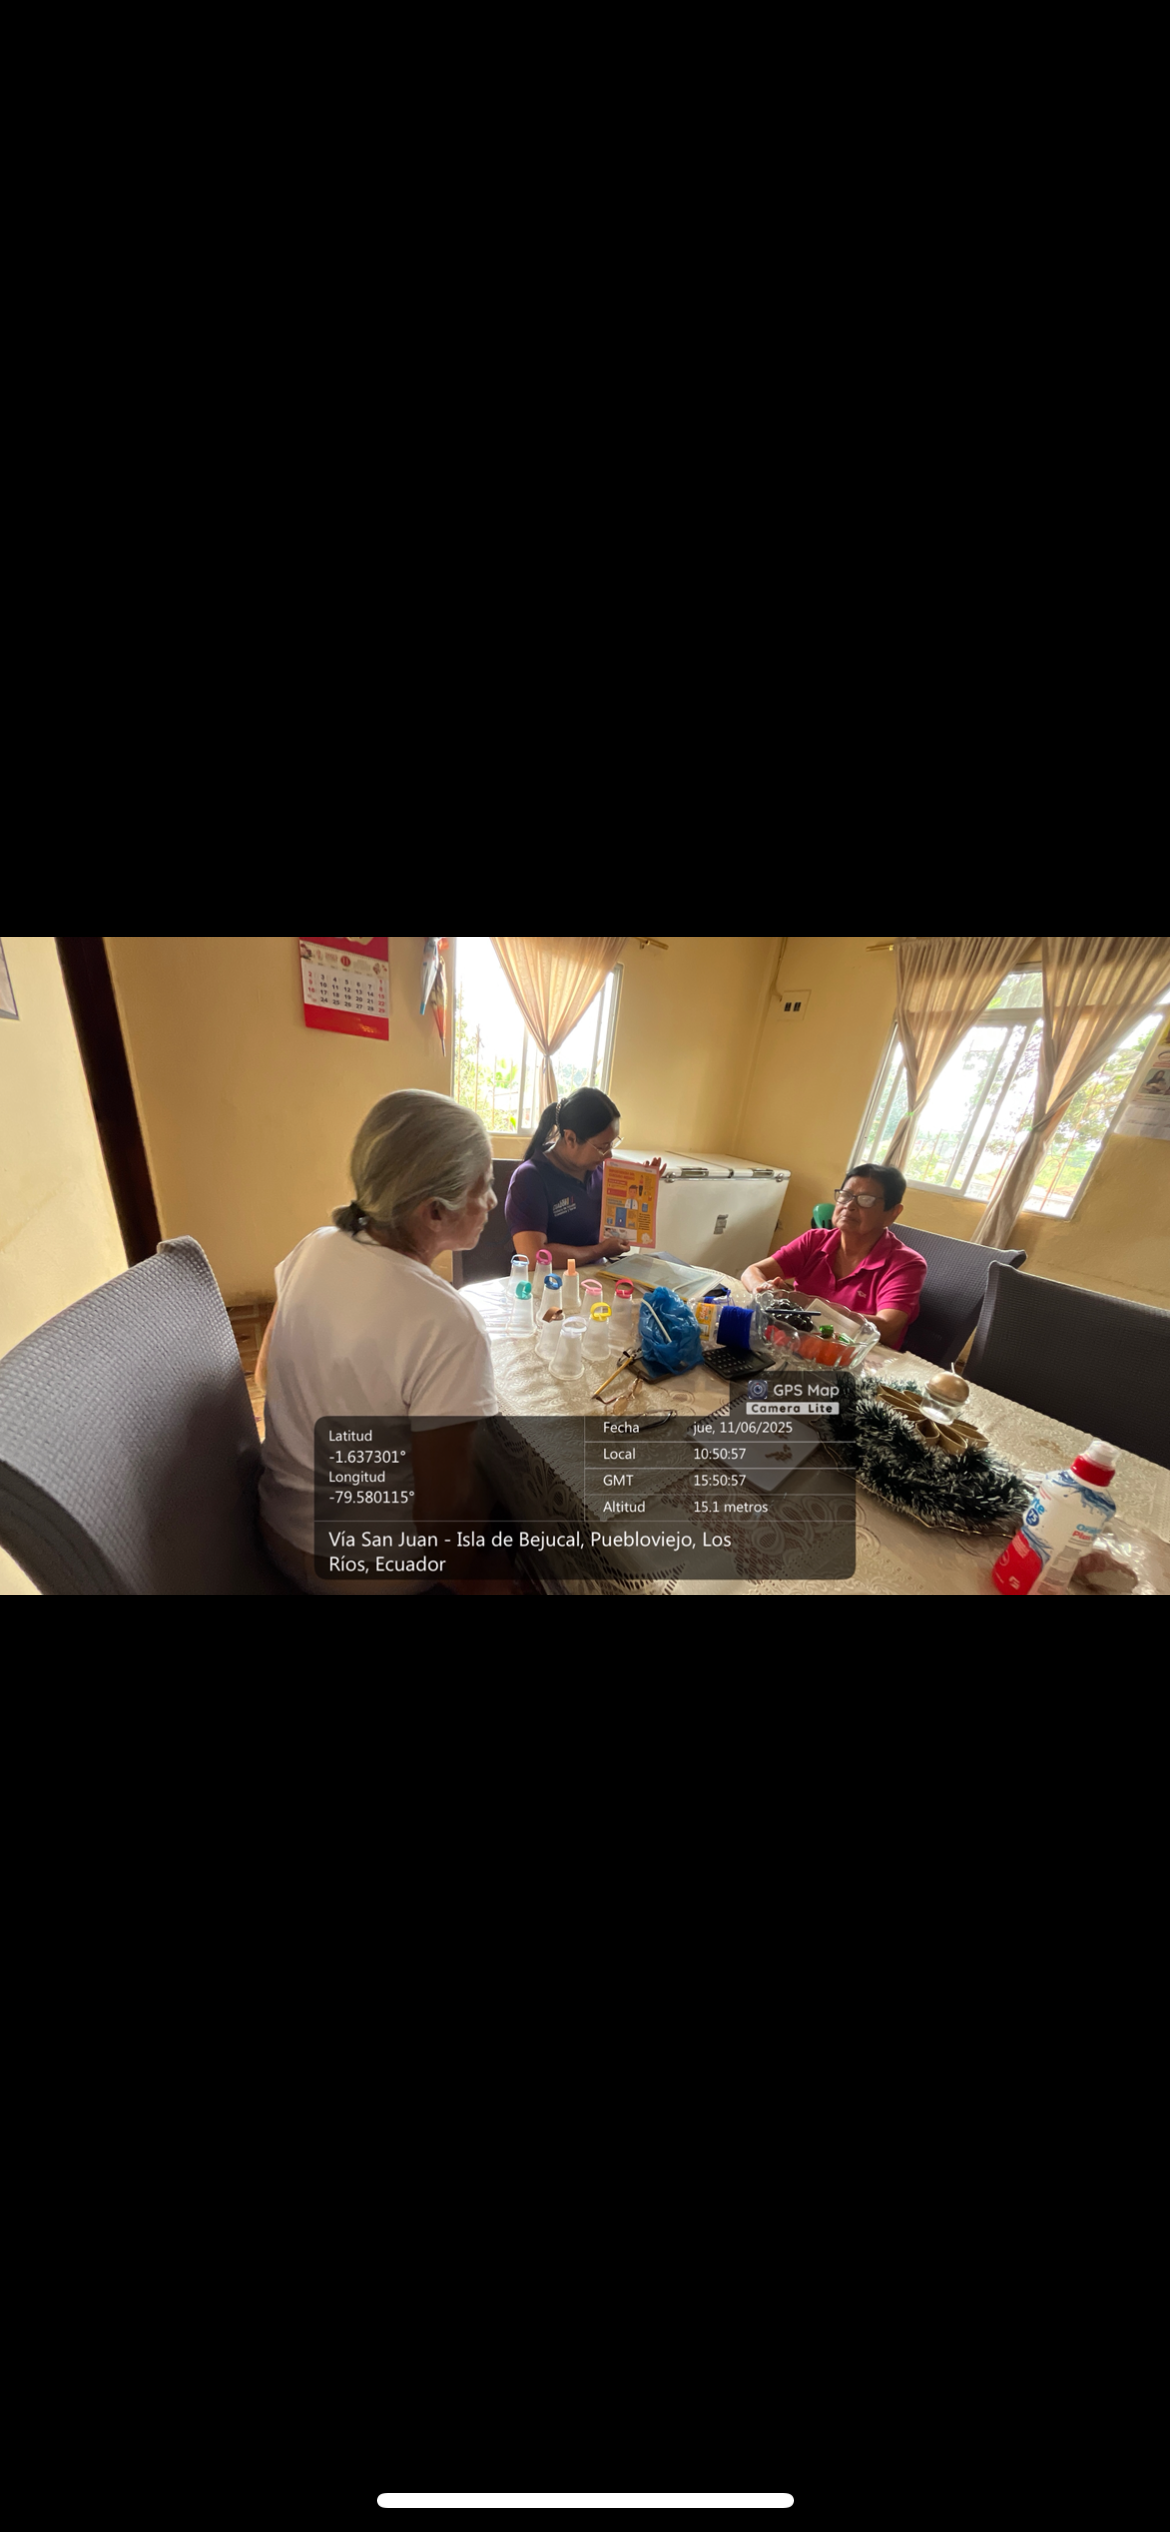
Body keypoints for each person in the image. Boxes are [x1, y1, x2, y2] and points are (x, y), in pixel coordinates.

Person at [256, 1088, 518, 1594]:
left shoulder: (313, 1247)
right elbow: (445, 1530)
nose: (492, 1201)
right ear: (433, 1212)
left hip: (276, 1527)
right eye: (483, 1186)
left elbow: (266, 1374)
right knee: (515, 1501)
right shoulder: (448, 1323)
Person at [741, 1163, 927, 1352]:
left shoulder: (907, 1265)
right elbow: (752, 1272)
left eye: (866, 1200)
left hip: (858, 1358)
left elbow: (885, 1327)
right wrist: (766, 1292)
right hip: (797, 1345)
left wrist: (800, 1303)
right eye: (846, 1195)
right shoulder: (815, 1240)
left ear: (893, 1213)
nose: (850, 1205)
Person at [504, 1087, 665, 1276]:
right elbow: (533, 1256)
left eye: (612, 1143)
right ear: (571, 1138)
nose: (609, 1155)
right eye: (602, 1147)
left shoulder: (599, 1171)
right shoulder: (530, 1178)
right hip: (548, 1283)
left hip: (596, 1277)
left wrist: (644, 1190)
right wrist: (600, 1251)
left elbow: (619, 1227)